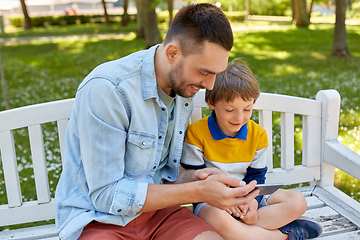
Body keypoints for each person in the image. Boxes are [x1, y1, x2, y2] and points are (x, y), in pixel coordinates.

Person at [55, 3, 260, 240]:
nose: (210, 86)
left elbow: (159, 175)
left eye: (217, 73)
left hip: (159, 215)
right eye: (205, 72)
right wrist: (197, 190)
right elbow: (106, 195)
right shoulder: (108, 90)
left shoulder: (183, 88)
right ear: (172, 53)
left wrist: (195, 178)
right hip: (98, 220)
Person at [181, 59, 323, 240]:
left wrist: (253, 205)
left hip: (248, 198)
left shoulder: (258, 135)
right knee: (217, 219)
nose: (239, 118)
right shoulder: (196, 133)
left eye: (247, 109)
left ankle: (238, 232)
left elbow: (256, 177)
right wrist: (224, 202)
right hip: (213, 203)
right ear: (211, 102)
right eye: (230, 109)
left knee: (297, 201)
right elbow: (195, 179)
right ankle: (283, 236)